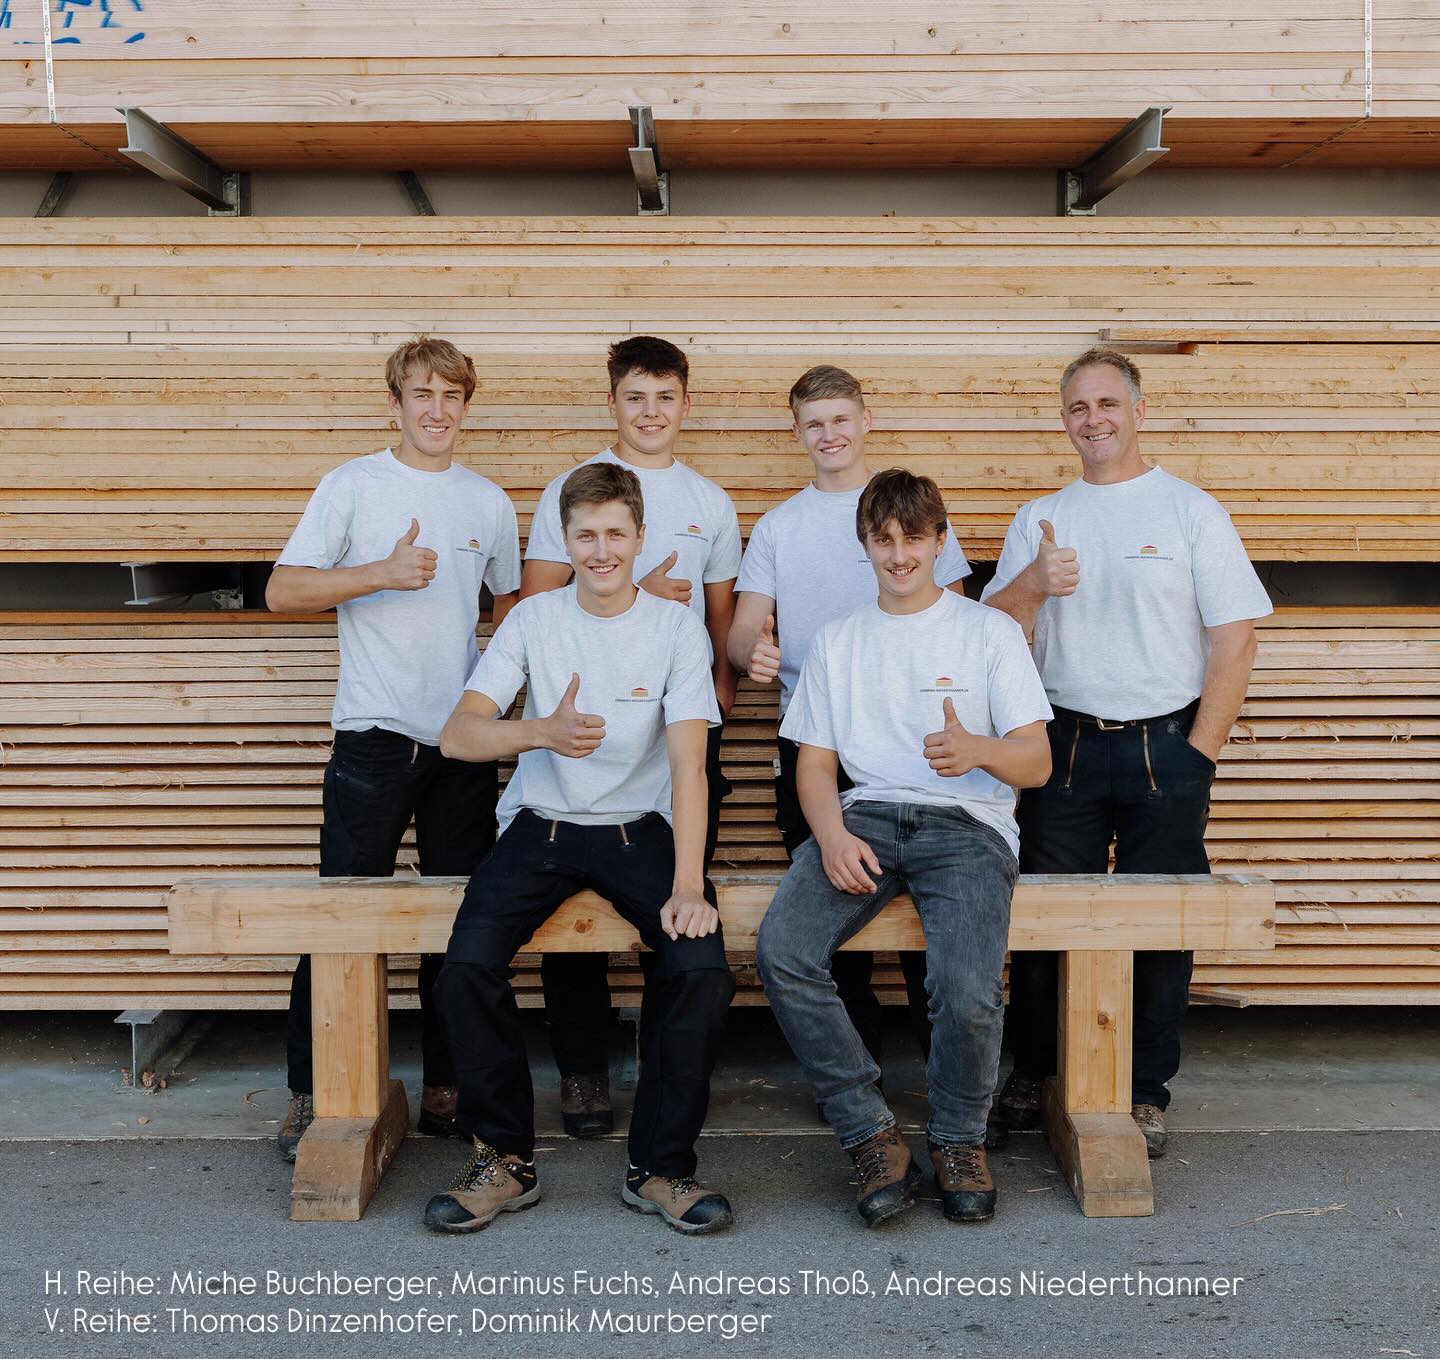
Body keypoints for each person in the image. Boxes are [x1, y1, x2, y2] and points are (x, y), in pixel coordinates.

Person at [425, 462, 735, 1237]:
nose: (601, 550)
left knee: (698, 968)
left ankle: (660, 1165)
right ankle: (504, 1159)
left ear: (639, 538)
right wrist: (538, 731)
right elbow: (459, 734)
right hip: (543, 824)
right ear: (566, 539)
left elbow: (691, 764)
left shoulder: (673, 628)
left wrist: (690, 882)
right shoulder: (534, 620)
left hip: (640, 825)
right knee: (464, 966)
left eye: (615, 534)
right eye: (586, 535)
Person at [982, 346, 1271, 1157]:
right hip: (1063, 742)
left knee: (1161, 922)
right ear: (1063, 418)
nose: (1093, 419)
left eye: (1107, 404)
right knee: (1039, 918)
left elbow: (1236, 638)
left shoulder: (1190, 512)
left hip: (1164, 744)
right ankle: (1032, 1071)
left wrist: (1198, 754)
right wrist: (1035, 581)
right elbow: (991, 628)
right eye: (1078, 406)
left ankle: (1144, 1089)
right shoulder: (1042, 515)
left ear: (1139, 412)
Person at [756, 470, 1052, 1227]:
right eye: (883, 539)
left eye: (913, 537)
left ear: (940, 540)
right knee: (784, 951)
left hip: (968, 827)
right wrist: (829, 834)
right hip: (867, 818)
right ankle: (871, 1133)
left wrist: (976, 748)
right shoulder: (839, 640)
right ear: (866, 545)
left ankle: (957, 1140)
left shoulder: (988, 630)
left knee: (967, 991)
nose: (899, 554)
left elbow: (1037, 760)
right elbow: (814, 764)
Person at [265, 336, 520, 1160]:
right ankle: (313, 1093)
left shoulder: (486, 501)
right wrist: (377, 570)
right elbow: (282, 590)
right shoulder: (352, 486)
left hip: (461, 742)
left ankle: (451, 1087)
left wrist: (500, 687)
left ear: (466, 407)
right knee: (340, 915)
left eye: (451, 395)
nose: (436, 409)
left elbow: (513, 609)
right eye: (421, 394)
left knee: (460, 920)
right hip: (374, 735)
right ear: (394, 403)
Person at [520, 336, 741, 1139]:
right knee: (567, 896)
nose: (651, 412)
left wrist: (720, 697)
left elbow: (720, 616)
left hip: (671, 718)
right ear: (612, 402)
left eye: (665, 397)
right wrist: (633, 591)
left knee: (673, 898)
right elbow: (537, 600)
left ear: (686, 403)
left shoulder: (710, 500)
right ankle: (582, 1071)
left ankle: (660, 1062)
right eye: (635, 397)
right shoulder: (570, 489)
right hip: (581, 722)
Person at [729, 365, 971, 1073]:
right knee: (836, 923)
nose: (829, 434)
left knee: (933, 926)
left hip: (911, 744)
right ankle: (858, 1084)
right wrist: (756, 652)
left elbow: (956, 618)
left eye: (840, 419)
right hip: (814, 746)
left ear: (864, 420)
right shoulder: (779, 526)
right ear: (797, 432)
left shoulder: (909, 508)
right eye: (814, 423)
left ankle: (950, 1075)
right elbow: (743, 630)